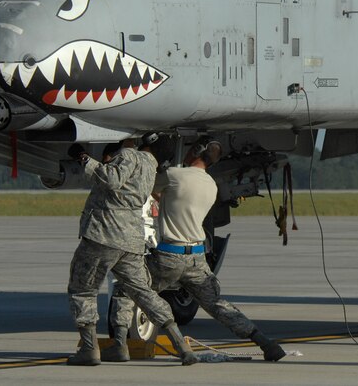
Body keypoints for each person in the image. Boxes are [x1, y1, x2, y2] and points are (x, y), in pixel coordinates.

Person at [105, 136, 286, 363]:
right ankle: (265, 343)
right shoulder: (211, 185)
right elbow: (175, 199)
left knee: (126, 288)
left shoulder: (174, 176)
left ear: (196, 151)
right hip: (197, 258)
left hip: (169, 256)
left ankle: (120, 345)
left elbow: (143, 185)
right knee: (218, 305)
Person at [66, 137, 198, 366]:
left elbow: (110, 178)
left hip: (103, 235)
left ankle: (89, 350)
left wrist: (83, 158)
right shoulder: (151, 167)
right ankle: (180, 346)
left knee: (82, 290)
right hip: (131, 240)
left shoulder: (130, 155)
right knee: (142, 292)